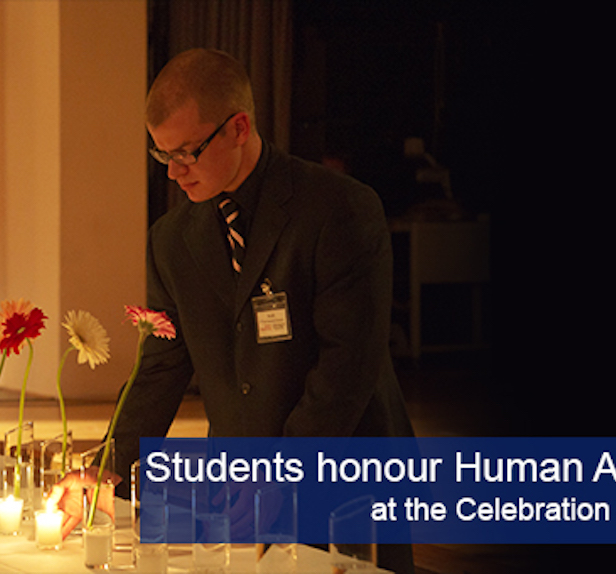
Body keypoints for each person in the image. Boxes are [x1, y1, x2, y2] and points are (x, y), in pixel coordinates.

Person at [56, 48, 415, 573]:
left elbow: (348, 365)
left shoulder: (336, 209)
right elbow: (161, 366)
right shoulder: (173, 241)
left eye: (187, 153)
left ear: (238, 127)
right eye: (162, 156)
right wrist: (109, 467)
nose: (175, 174)